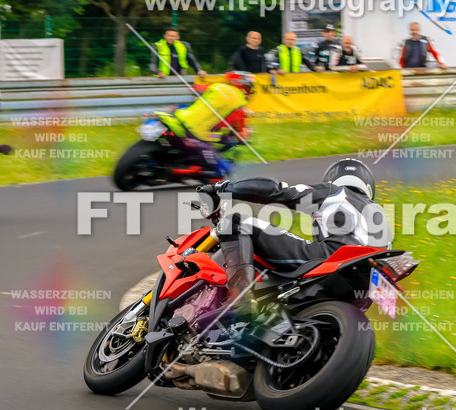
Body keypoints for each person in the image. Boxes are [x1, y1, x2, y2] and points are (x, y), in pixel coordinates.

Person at [198, 158, 390, 321]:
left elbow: (280, 192)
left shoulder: (336, 193)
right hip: (363, 285)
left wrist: (224, 188)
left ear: (334, 179)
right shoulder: (381, 215)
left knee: (235, 221)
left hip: (335, 258)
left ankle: (241, 303)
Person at [156, 71, 255, 180]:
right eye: (249, 88)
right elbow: (240, 135)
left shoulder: (217, 87)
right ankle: (194, 169)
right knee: (222, 170)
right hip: (198, 133)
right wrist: (244, 137)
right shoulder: (239, 107)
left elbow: (196, 88)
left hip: (182, 118)